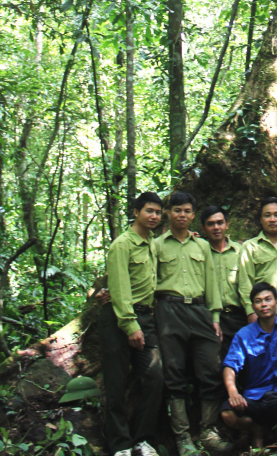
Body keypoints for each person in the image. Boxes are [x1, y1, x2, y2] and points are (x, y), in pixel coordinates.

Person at [154, 192, 231, 456]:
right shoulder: (157, 245)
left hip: (200, 311)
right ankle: (183, 439)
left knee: (210, 369)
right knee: (174, 373)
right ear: (169, 213)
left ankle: (208, 432)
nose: (182, 215)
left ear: (192, 215)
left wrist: (216, 318)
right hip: (169, 310)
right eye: (177, 210)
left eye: (187, 211)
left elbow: (212, 284)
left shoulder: (202, 247)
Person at [99, 192, 164, 456]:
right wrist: (130, 325)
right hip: (119, 318)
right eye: (149, 211)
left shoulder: (152, 243)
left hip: (147, 318)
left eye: (158, 212)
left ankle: (142, 440)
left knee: (155, 377)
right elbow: (119, 288)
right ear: (136, 212)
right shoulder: (122, 245)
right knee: (116, 383)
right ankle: (120, 445)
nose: (154, 216)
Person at [221, 282, 277, 448]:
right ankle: (256, 429)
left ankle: (276, 436)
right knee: (227, 414)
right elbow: (230, 365)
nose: (264, 305)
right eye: (258, 301)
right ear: (253, 306)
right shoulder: (245, 334)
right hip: (255, 397)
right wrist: (233, 392)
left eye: (268, 299)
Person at [238, 197, 277, 320]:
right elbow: (245, 283)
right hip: (263, 309)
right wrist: (250, 311)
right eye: (267, 215)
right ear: (260, 220)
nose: (272, 219)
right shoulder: (250, 247)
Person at [202, 205, 245, 355]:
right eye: (210, 224)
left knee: (242, 360)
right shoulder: (199, 251)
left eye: (220, 223)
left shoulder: (241, 251)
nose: (216, 227)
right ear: (203, 228)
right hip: (210, 317)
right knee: (213, 362)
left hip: (238, 316)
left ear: (227, 225)